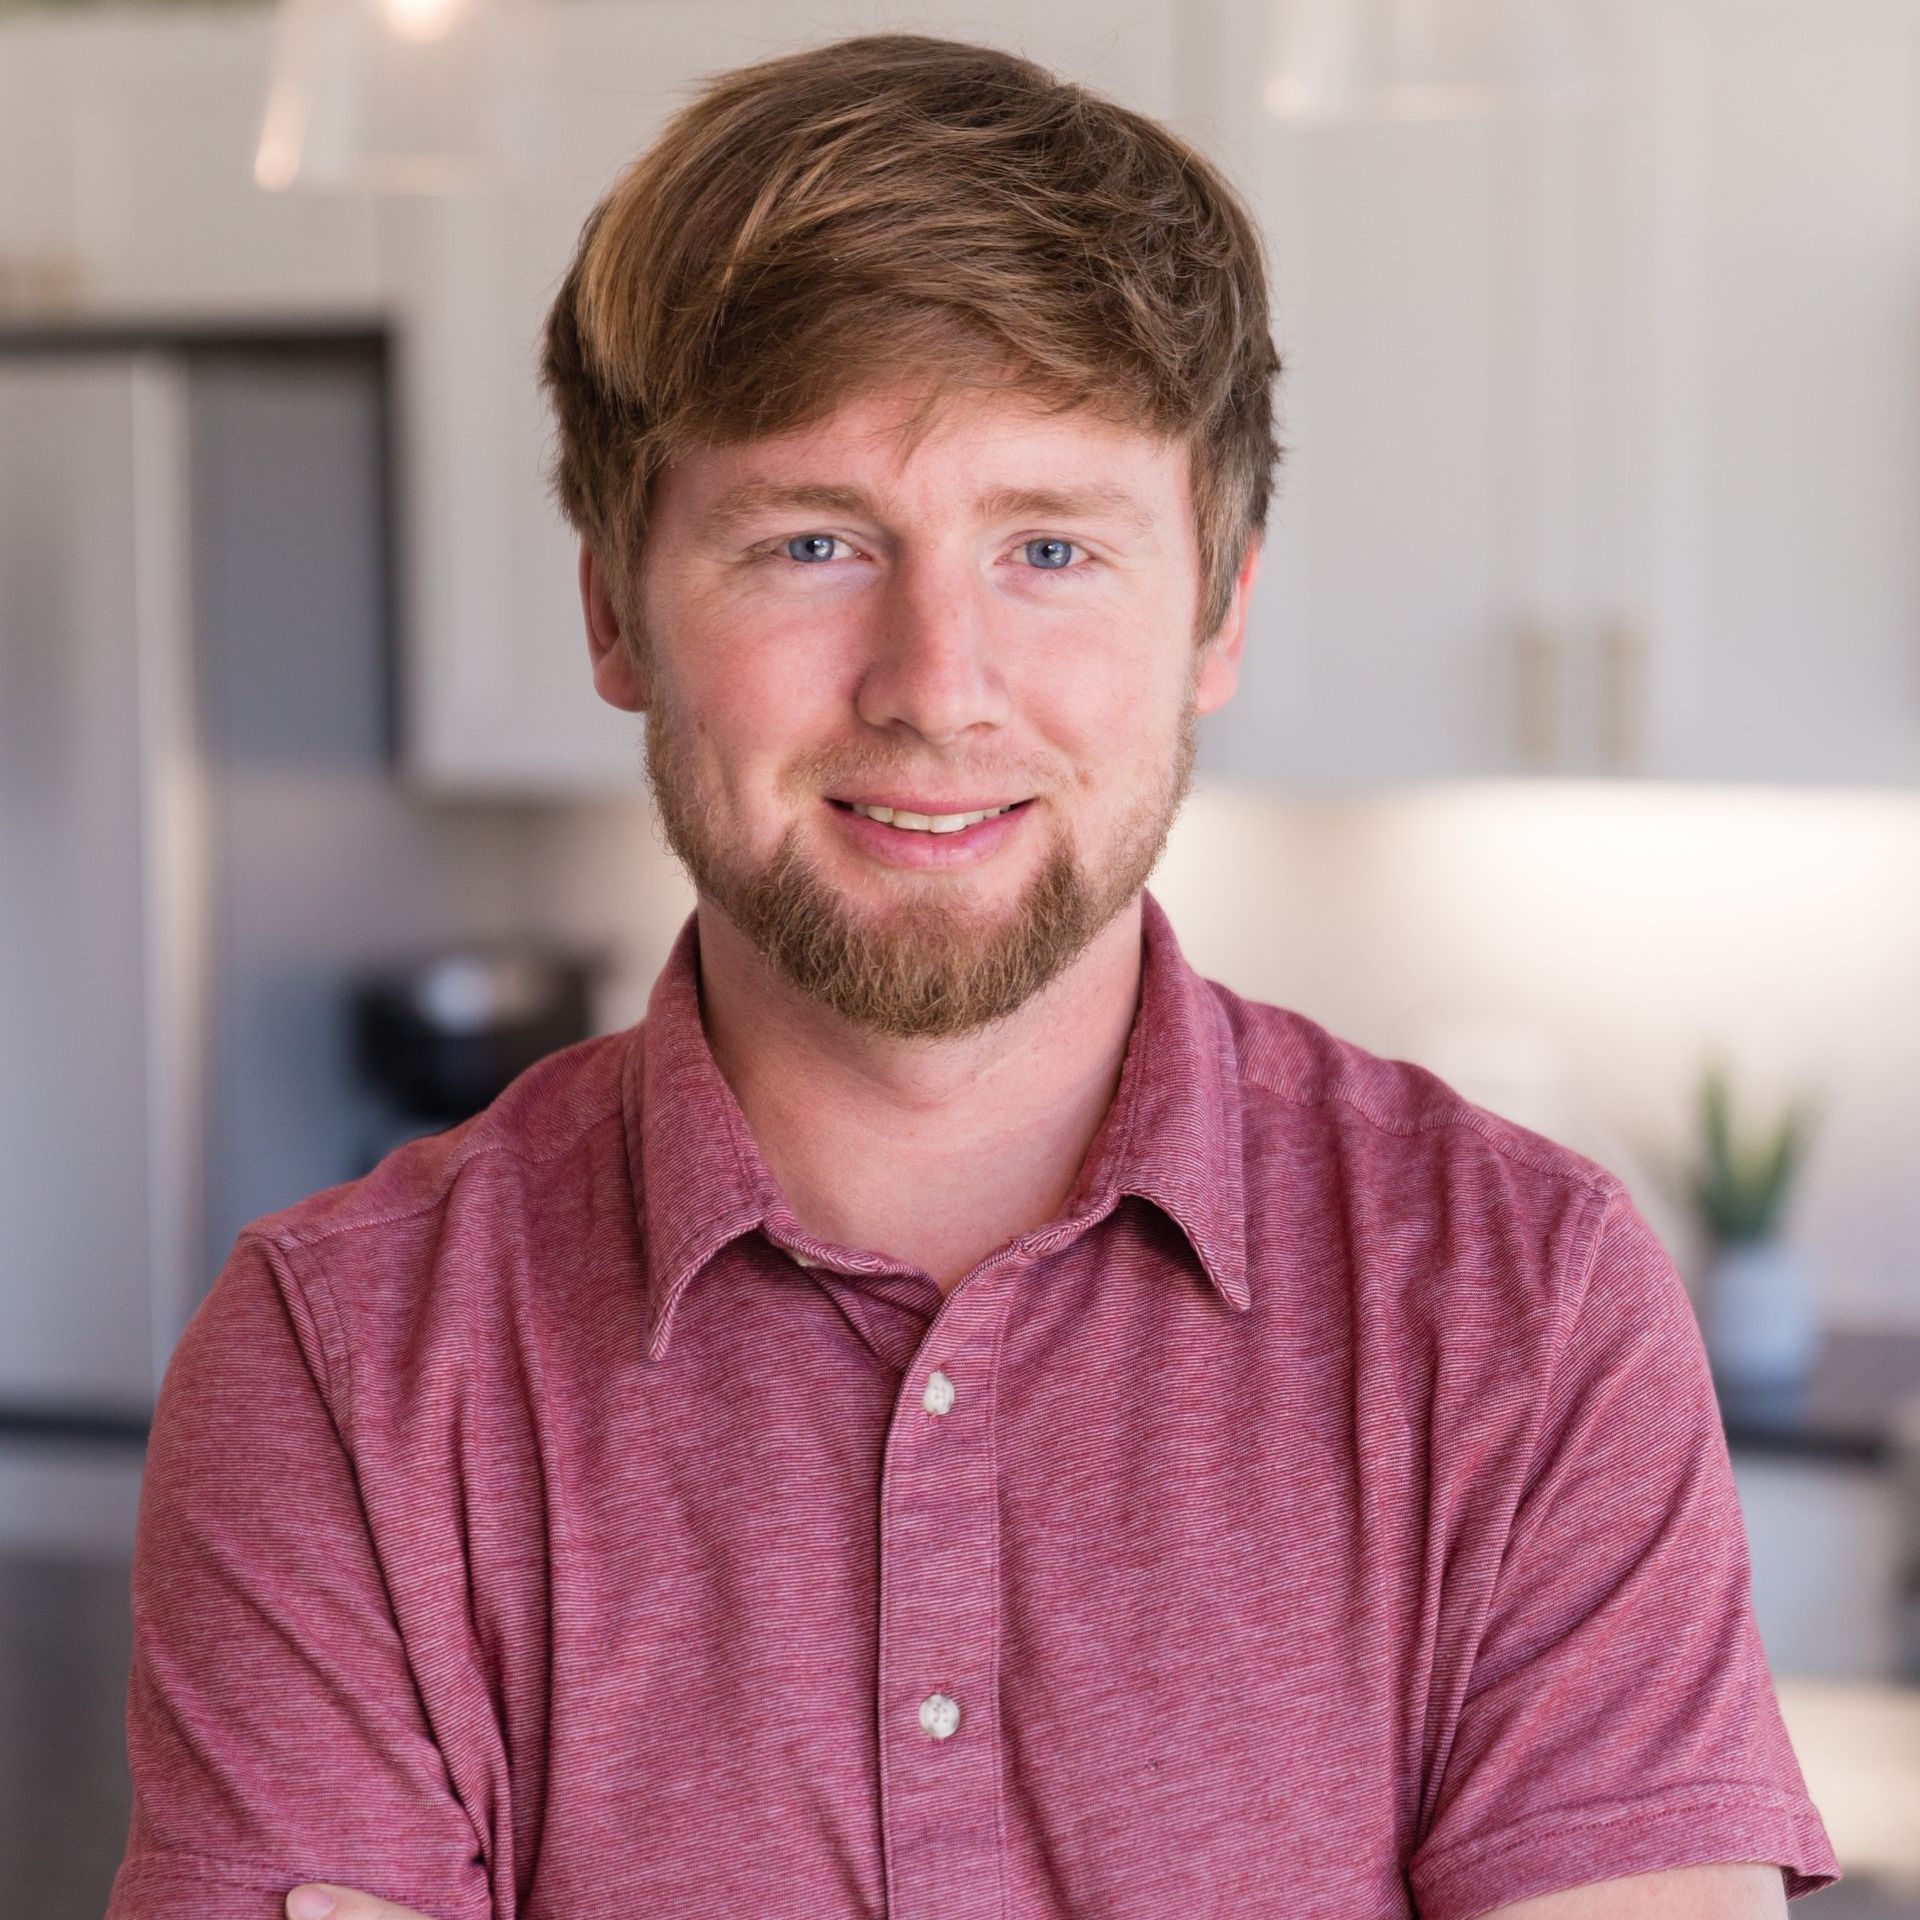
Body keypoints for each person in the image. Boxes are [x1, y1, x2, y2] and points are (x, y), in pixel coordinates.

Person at [106, 32, 1840, 1920]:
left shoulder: (1524, 1305)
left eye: (1050, 546)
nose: (937, 681)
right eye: (813, 541)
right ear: (615, 606)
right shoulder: (345, 1368)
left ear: (1218, 611)